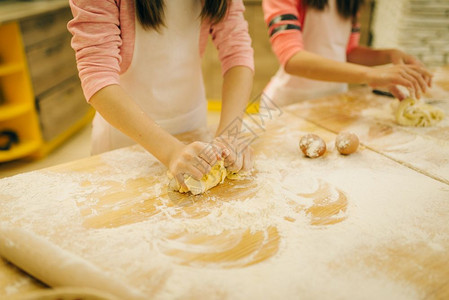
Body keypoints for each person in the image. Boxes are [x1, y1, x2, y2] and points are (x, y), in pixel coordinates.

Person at [68, 0, 254, 189]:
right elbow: (97, 75)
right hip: (125, 141)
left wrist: (228, 136)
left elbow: (237, 52)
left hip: (192, 129)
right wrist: (172, 151)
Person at [262, 0, 433, 107]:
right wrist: (370, 74)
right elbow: (292, 59)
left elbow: (347, 52)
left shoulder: (351, 2)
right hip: (288, 104)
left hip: (334, 100)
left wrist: (388, 56)